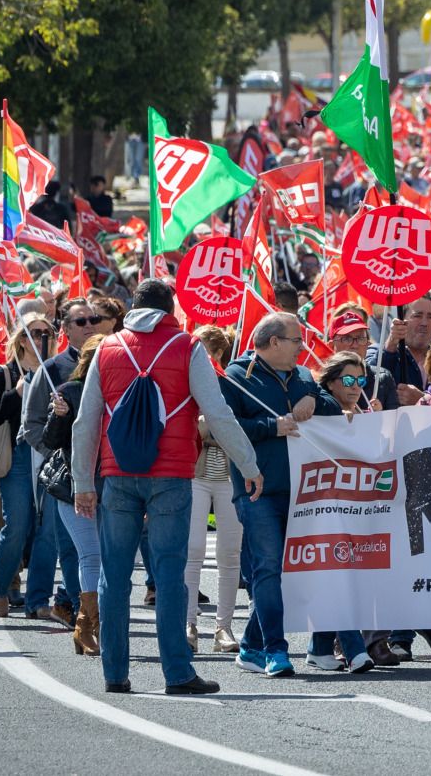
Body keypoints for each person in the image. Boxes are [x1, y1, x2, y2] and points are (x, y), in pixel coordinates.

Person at [70, 278, 261, 696]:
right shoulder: (187, 346)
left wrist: (83, 482)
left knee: (114, 575)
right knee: (171, 573)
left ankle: (115, 673)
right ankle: (177, 673)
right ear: (170, 310)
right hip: (172, 473)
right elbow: (218, 413)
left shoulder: (107, 347)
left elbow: (86, 422)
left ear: (132, 308)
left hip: (117, 473)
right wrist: (248, 464)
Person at [219, 312, 326, 679]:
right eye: (297, 340)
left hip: (303, 489)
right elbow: (225, 428)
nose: (303, 347)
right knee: (268, 567)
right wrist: (272, 426)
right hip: (257, 489)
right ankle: (275, 651)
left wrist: (313, 396)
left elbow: (330, 406)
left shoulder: (304, 376)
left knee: (287, 571)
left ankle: (250, 646)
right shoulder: (236, 378)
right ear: (275, 342)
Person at [0, 310, 70, 622]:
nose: (42, 338)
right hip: (18, 454)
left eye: (48, 333)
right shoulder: (2, 374)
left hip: (51, 454)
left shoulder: (58, 371)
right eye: (35, 333)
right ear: (21, 339)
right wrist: (16, 393)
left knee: (48, 530)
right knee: (18, 524)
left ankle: (37, 599)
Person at [304, 351, 381, 673]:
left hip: (352, 505)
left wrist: (376, 422)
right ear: (332, 382)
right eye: (348, 379)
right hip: (322, 506)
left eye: (360, 380)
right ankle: (354, 649)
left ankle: (319, 648)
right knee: (337, 576)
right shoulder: (324, 405)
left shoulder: (360, 412)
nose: (355, 386)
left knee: (338, 576)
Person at [180, 326, 243, 657]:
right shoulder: (184, 383)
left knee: (230, 554)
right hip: (195, 474)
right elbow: (194, 429)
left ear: (218, 355)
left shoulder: (233, 384)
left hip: (229, 477)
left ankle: (224, 628)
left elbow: (237, 428)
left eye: (204, 352)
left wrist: (210, 428)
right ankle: (188, 624)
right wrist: (213, 428)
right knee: (192, 550)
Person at [44, 335, 105, 657]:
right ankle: (88, 627)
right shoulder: (69, 391)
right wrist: (60, 414)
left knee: (112, 559)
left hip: (114, 488)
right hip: (74, 489)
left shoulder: (123, 390)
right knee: (91, 555)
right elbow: (51, 440)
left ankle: (93, 627)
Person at [367, 295, 431, 404]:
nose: (424, 323)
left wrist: (422, 400)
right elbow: (369, 385)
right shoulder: (378, 351)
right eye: (417, 316)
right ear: (401, 320)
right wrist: (391, 345)